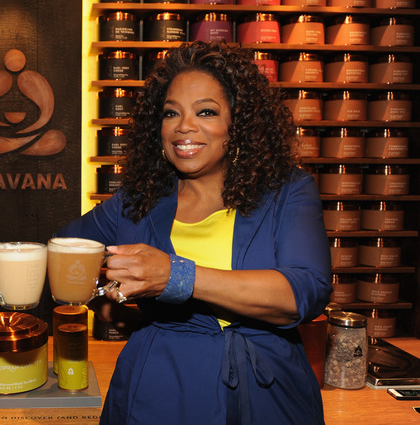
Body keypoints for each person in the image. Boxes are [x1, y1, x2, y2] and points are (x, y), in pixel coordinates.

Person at [56, 41, 332, 424]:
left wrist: (177, 276)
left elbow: (305, 291)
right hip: (158, 390)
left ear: (238, 123)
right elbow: (65, 253)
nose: (184, 126)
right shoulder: (138, 201)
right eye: (171, 113)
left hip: (266, 394)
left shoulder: (286, 191)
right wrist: (116, 313)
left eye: (206, 111)